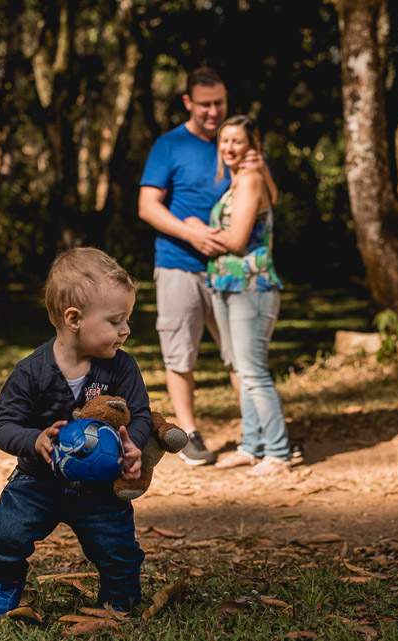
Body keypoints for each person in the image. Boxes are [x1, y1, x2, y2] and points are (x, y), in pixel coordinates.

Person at [0, 248, 149, 621]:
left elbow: (139, 415)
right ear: (74, 319)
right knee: (4, 533)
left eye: (127, 320)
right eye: (116, 320)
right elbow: (4, 426)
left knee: (118, 547)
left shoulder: (122, 368)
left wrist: (131, 442)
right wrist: (34, 440)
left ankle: (119, 598)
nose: (126, 330)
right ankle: (6, 585)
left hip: (101, 486)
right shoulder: (30, 372)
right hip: (38, 481)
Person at [138, 66, 276, 466]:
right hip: (179, 263)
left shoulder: (236, 143)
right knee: (180, 353)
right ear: (188, 103)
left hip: (232, 270)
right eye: (204, 104)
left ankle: (259, 437)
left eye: (219, 103)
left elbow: (267, 199)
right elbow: (148, 206)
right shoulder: (169, 145)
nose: (213, 111)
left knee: (240, 357)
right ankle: (190, 435)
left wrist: (260, 164)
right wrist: (191, 234)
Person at [198, 115, 291, 476]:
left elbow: (237, 241)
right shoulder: (236, 182)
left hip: (251, 287)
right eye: (224, 141)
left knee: (253, 372)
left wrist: (196, 232)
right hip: (226, 285)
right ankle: (252, 446)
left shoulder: (251, 179)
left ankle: (278, 453)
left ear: (253, 145)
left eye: (237, 141)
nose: (228, 148)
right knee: (240, 368)